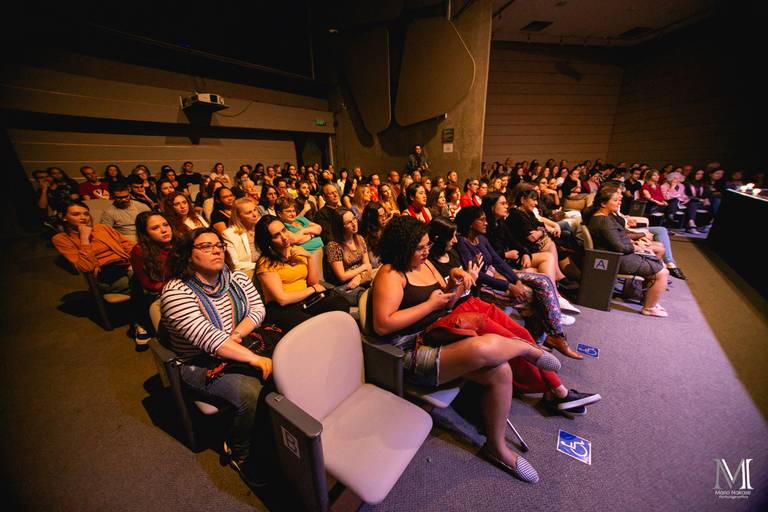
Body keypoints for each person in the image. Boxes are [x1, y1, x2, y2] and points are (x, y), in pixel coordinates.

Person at [372, 216, 600, 483]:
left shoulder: (426, 266)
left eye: (427, 246)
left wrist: (456, 285)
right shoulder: (389, 274)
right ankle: (525, 349)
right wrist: (430, 306)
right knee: (484, 347)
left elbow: (445, 304)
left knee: (501, 371)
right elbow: (383, 325)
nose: (426, 252)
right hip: (411, 352)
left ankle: (496, 447)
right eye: (420, 248)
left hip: (438, 333)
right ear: (403, 247)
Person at [161, 228, 271, 487]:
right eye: (206, 246)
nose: (216, 249)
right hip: (198, 363)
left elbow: (257, 309)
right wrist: (253, 358)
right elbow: (207, 339)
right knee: (249, 392)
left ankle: (273, 434)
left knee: (286, 369)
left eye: (219, 244)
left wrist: (237, 333)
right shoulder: (176, 292)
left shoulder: (236, 278)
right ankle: (239, 451)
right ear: (188, 255)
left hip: (236, 343)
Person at [454, 206, 582, 358]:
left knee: (544, 280)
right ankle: (541, 339)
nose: (486, 222)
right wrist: (509, 285)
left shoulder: (482, 239)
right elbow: (478, 276)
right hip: (484, 286)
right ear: (470, 223)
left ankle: (555, 334)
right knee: (532, 295)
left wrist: (515, 280)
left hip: (498, 275)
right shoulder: (462, 243)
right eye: (481, 220)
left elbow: (497, 261)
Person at [52, 201, 149, 345]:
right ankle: (140, 323)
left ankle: (149, 318)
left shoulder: (101, 228)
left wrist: (135, 259)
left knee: (151, 278)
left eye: (85, 213)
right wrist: (84, 239)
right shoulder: (62, 239)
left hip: (127, 267)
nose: (83, 217)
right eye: (76, 214)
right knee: (144, 284)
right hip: (105, 278)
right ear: (63, 217)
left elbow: (128, 245)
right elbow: (85, 267)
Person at [254, 215, 348, 331]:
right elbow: (282, 299)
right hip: (282, 309)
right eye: (276, 235)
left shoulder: (296, 250)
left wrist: (309, 257)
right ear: (267, 241)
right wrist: (312, 290)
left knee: (340, 304)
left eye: (284, 230)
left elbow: (313, 282)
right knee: (312, 325)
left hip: (304, 300)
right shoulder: (266, 263)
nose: (284, 237)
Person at [586, 187, 670, 317]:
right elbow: (620, 247)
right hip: (616, 259)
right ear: (603, 203)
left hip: (617, 255)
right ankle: (649, 308)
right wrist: (636, 248)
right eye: (615, 200)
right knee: (663, 273)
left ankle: (648, 298)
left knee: (657, 260)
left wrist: (636, 243)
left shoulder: (606, 217)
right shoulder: (603, 221)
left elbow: (618, 239)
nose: (619, 202)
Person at [505, 188, 578, 292]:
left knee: (552, 242)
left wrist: (541, 231)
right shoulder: (516, 214)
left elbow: (541, 226)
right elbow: (532, 237)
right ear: (522, 199)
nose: (536, 203)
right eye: (533, 199)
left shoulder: (528, 213)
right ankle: (557, 284)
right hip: (522, 252)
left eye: (536, 200)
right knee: (550, 246)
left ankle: (559, 279)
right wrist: (542, 232)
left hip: (530, 248)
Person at [130, 212, 174, 339]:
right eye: (155, 228)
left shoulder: (179, 242)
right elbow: (148, 284)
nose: (164, 230)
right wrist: (178, 287)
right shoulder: (140, 251)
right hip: (161, 292)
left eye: (165, 225)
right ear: (145, 233)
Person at [325, 208, 373, 305]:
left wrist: (358, 277)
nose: (354, 224)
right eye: (348, 222)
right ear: (340, 227)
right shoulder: (334, 246)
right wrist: (363, 268)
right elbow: (342, 277)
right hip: (345, 286)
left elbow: (368, 265)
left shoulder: (359, 238)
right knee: (370, 299)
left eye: (354, 219)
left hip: (361, 279)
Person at [222, 198, 261, 278]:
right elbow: (234, 263)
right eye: (249, 212)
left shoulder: (262, 227)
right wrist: (261, 266)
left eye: (255, 210)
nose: (254, 214)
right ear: (239, 217)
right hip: (249, 274)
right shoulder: (229, 234)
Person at [359, 202, 388, 269]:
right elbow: (374, 263)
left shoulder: (385, 229)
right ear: (372, 219)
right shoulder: (365, 237)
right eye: (380, 216)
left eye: (384, 215)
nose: (384, 219)